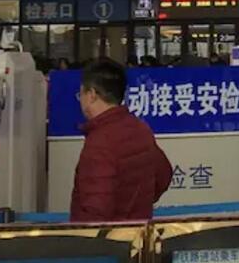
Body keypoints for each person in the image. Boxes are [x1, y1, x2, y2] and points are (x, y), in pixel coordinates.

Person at [70, 58, 172, 223]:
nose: (80, 100)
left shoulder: (99, 142)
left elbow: (95, 212)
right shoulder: (140, 128)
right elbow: (164, 175)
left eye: (80, 94)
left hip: (109, 238)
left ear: (92, 95)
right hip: (139, 233)